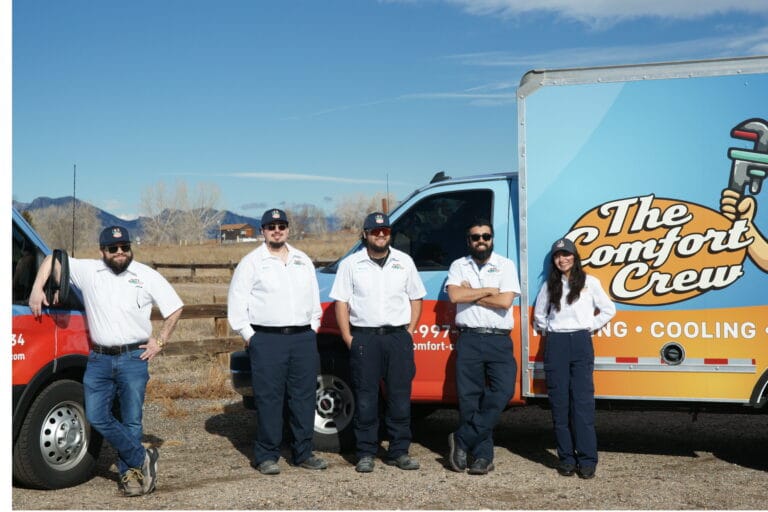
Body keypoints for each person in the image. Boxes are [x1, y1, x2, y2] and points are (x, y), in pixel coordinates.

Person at [28, 226, 183, 497]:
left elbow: (175, 307)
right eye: (113, 248)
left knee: (132, 420)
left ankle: (130, 474)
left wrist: (160, 341)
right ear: (103, 251)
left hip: (134, 356)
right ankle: (142, 458)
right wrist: (36, 289)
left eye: (125, 247)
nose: (120, 252)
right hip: (99, 358)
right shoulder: (88, 272)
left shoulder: (146, 275)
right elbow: (53, 258)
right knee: (96, 416)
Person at [227, 208, 327, 475]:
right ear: (263, 231)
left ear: (288, 229)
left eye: (281, 225)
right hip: (267, 339)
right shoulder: (251, 262)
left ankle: (303, 452)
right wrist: (252, 337)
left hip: (303, 338)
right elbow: (236, 307)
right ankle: (267, 455)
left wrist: (313, 328)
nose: (277, 230)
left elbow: (315, 301)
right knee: (269, 399)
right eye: (271, 226)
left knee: (304, 398)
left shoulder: (302, 260)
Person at [330, 211, 426, 473]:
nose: (380, 235)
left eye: (384, 232)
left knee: (399, 398)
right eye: (375, 231)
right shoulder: (351, 264)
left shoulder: (404, 262)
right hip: (365, 338)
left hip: (397, 338)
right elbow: (341, 302)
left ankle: (399, 451)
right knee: (365, 399)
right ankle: (366, 453)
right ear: (365, 234)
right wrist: (348, 337)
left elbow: (416, 298)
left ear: (390, 235)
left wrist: (410, 331)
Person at [532, 237, 615, 479]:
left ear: (575, 257)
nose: (562, 259)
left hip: (580, 342)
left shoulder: (590, 282)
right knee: (559, 404)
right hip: (556, 343)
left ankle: (587, 459)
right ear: (554, 260)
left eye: (567, 254)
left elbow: (609, 309)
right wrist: (554, 332)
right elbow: (539, 317)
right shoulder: (549, 285)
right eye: (558, 256)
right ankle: (567, 458)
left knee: (583, 404)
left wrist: (589, 326)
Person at [445, 219, 520, 475]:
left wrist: (473, 293)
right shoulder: (458, 265)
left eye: (486, 236)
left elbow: (505, 302)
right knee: (470, 401)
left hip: (499, 339)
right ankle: (482, 457)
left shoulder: (505, 265)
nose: (481, 241)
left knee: (503, 392)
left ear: (492, 239)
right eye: (475, 237)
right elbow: (455, 296)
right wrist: (488, 290)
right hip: (469, 339)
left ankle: (462, 439)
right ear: (469, 241)